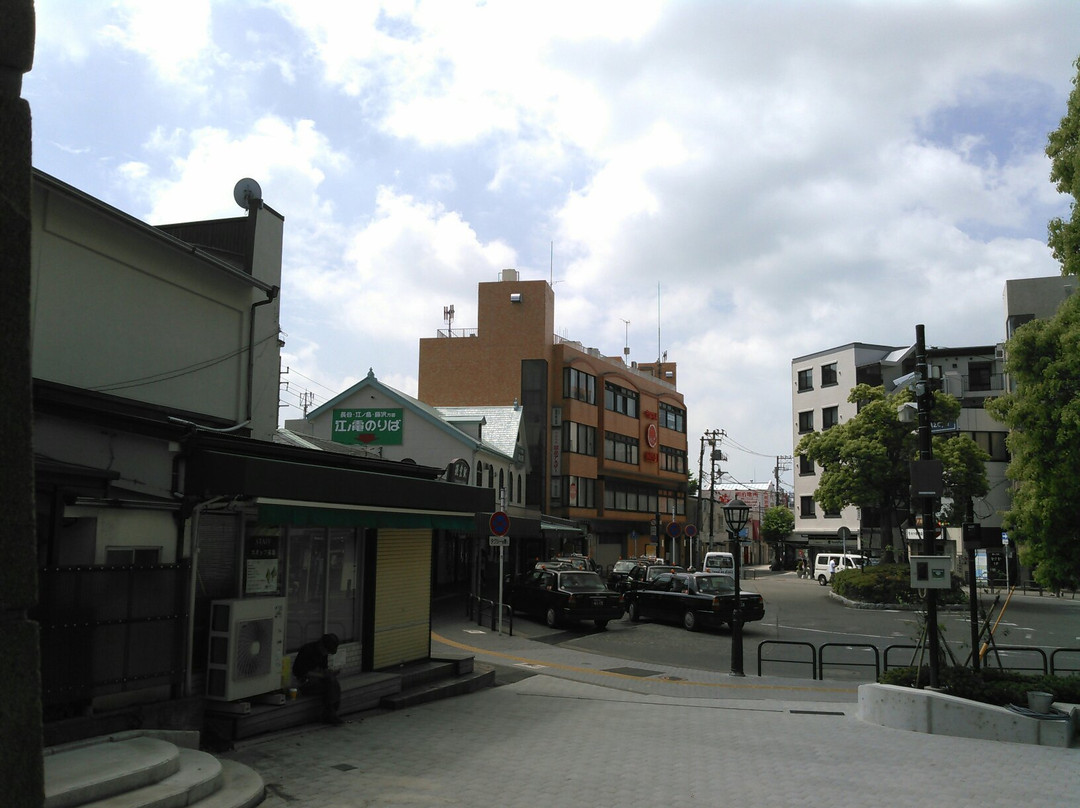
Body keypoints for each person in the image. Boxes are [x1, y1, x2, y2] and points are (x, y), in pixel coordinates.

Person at [292, 633, 344, 725]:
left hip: (317, 681)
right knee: (330, 684)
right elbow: (300, 672)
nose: (326, 653)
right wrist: (322, 676)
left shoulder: (323, 654)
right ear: (321, 645)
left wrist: (330, 673)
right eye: (326, 651)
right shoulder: (307, 650)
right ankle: (330, 714)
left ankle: (332, 712)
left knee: (333, 683)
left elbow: (323, 669)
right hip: (304, 683)